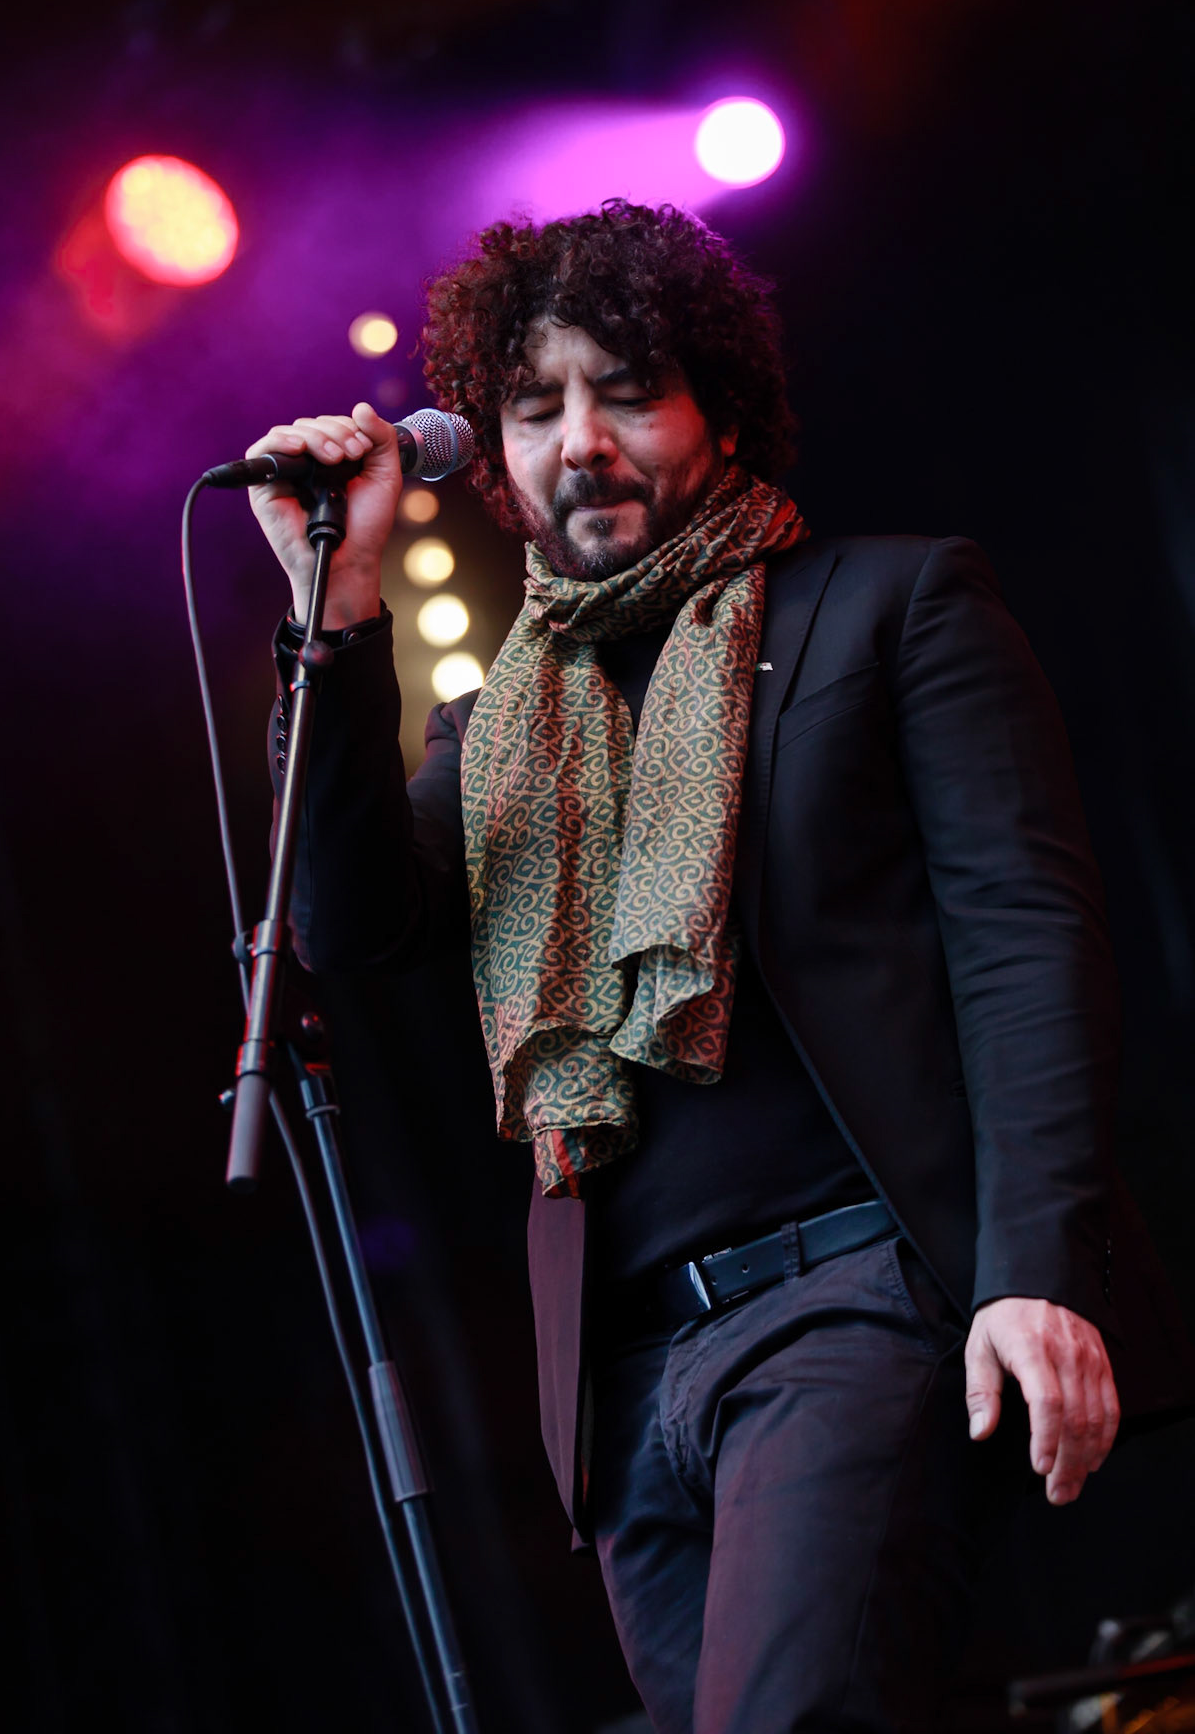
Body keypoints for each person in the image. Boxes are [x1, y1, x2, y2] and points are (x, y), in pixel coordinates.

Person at [248, 201, 1192, 1733]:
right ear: (490, 447)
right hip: (631, 1384)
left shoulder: (884, 608)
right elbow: (360, 929)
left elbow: (1025, 947)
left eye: (627, 389)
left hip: (855, 1307)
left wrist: (1034, 1273)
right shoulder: (495, 729)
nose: (582, 442)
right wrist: (336, 609)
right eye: (536, 405)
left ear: (723, 411)